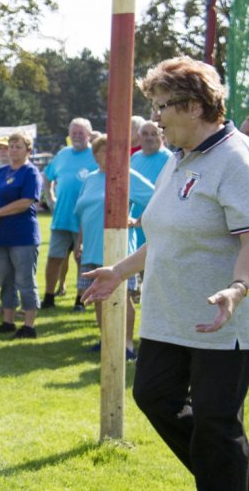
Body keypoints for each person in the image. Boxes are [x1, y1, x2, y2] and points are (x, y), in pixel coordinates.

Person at [82, 57, 249, 490]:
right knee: (156, 396)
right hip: (168, 316)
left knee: (216, 423)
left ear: (195, 107)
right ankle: (242, 478)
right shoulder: (178, 158)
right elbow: (164, 234)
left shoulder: (238, 159)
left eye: (162, 107)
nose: (156, 119)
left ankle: (230, 478)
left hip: (221, 321)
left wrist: (236, 290)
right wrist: (120, 271)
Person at [74, 134, 154, 359]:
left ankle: (126, 345)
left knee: (121, 295)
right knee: (97, 295)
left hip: (118, 249)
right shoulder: (89, 179)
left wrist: (136, 221)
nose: (109, 155)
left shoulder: (127, 176)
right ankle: (106, 341)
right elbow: (82, 214)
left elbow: (156, 200)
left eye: (113, 150)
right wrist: (78, 244)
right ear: (95, 154)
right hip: (90, 247)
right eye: (103, 150)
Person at [0, 131, 43, 338]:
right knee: (6, 279)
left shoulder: (31, 173)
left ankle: (28, 325)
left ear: (28, 150)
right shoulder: (1, 172)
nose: (13, 150)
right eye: (11, 146)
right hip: (0, 234)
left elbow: (26, 201)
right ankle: (7, 320)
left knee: (25, 280)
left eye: (18, 146)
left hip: (23, 235)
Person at [41, 118, 98, 311]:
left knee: (82, 259)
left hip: (86, 218)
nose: (77, 136)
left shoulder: (95, 155)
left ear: (89, 134)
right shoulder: (63, 154)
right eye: (74, 133)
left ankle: (80, 300)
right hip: (62, 216)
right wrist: (50, 198)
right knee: (54, 258)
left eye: (81, 133)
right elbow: (47, 177)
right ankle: (48, 297)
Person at [129, 120, 172, 248]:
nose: (149, 137)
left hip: (157, 228)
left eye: (154, 134)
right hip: (134, 228)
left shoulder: (170, 159)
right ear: (139, 137)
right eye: (145, 134)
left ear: (162, 137)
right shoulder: (134, 158)